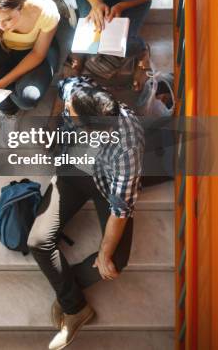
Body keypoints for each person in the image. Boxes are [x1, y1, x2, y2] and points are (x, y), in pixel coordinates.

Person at [28, 75, 144, 350]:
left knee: (115, 258)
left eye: (72, 115)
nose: (68, 110)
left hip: (109, 183)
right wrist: (53, 124)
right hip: (74, 168)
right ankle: (76, 307)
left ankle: (69, 296)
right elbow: (63, 90)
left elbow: (120, 206)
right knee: (37, 241)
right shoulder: (77, 92)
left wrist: (104, 252)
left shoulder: (128, 146)